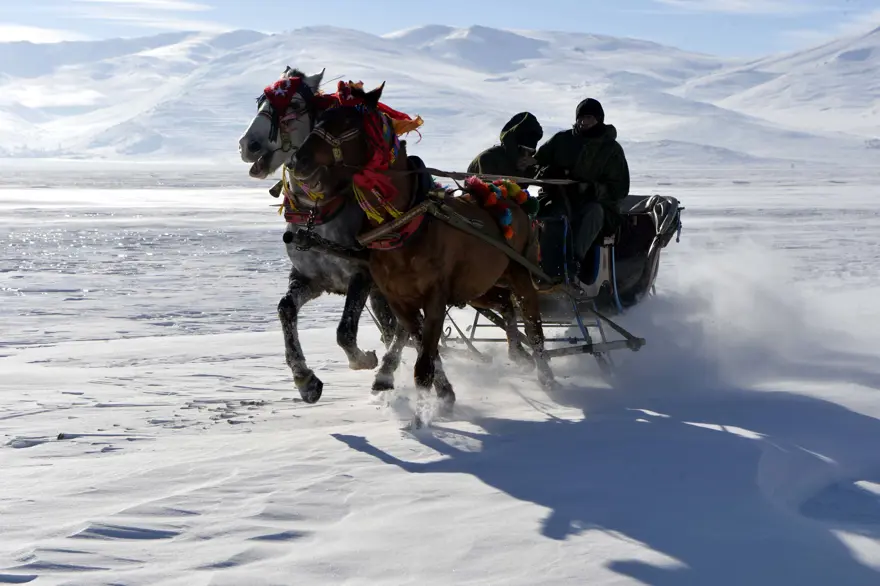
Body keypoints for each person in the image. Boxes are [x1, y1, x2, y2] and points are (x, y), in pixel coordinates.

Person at [533, 97, 630, 272]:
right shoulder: (561, 140)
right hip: (558, 198)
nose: (584, 122)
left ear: (599, 120)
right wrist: (547, 172)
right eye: (581, 118)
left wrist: (591, 188)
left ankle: (574, 262)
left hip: (595, 204)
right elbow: (536, 164)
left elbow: (620, 188)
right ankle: (540, 264)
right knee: (549, 218)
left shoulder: (611, 149)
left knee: (593, 214)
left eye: (589, 118)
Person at [467, 112, 544, 180]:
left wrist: (533, 167)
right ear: (512, 146)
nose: (526, 154)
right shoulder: (489, 158)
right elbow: (488, 192)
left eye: (530, 151)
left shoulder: (527, 164)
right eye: (521, 149)